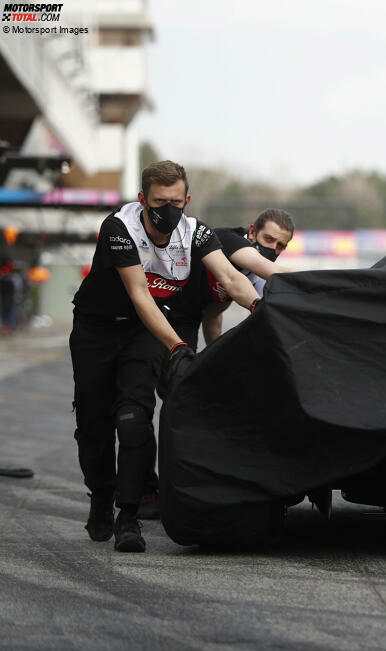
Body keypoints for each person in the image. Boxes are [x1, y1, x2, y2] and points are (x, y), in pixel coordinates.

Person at [70, 160, 260, 553]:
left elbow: (230, 278)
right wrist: (178, 346)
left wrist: (263, 308)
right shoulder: (119, 228)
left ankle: (129, 516)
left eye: (176, 201)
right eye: (159, 201)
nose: (168, 210)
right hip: (97, 328)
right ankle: (101, 497)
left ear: (186, 199)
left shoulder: (196, 232)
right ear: (143, 199)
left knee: (134, 417)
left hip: (145, 329)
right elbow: (140, 294)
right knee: (93, 425)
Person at [199, 209, 295, 345]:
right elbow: (270, 269)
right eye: (268, 239)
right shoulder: (228, 239)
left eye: (280, 245)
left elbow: (213, 314)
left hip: (188, 319)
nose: (273, 248)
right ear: (252, 232)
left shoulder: (253, 276)